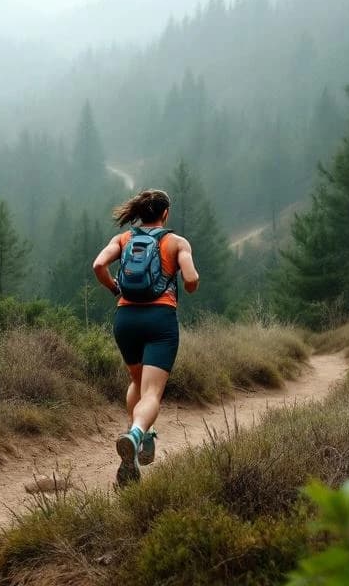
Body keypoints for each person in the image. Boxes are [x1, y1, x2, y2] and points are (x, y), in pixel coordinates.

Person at [91, 189, 200, 485]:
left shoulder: (123, 239)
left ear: (140, 212)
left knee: (137, 383)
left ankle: (139, 443)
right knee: (151, 393)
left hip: (125, 319)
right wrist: (187, 283)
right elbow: (190, 280)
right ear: (165, 213)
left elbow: (98, 266)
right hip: (159, 320)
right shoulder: (176, 242)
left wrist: (116, 289)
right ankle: (137, 433)